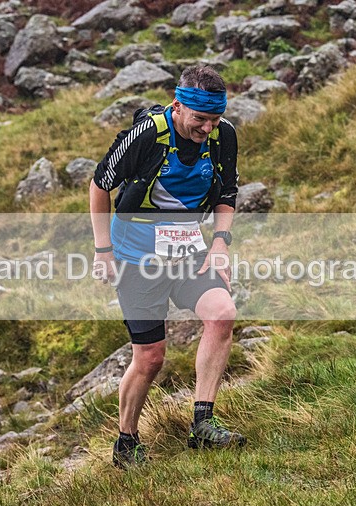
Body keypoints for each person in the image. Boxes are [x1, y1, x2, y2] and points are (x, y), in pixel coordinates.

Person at [89, 65, 246, 468]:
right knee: (150, 358)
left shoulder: (223, 135)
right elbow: (99, 184)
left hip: (190, 253)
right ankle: (126, 442)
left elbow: (227, 193)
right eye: (200, 119)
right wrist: (103, 250)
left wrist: (220, 242)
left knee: (222, 314)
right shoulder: (147, 135)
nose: (208, 128)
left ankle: (203, 425)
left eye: (214, 120)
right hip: (137, 259)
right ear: (178, 106)